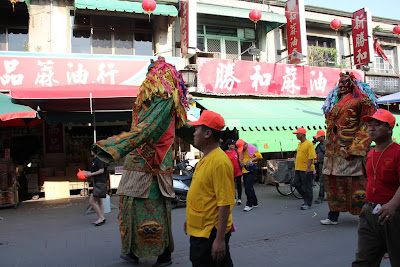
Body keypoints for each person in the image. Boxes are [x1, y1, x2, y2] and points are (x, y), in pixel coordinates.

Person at [91, 57, 189, 267]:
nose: (148, 74)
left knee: (150, 210)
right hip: (142, 165)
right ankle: (134, 251)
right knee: (132, 208)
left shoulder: (162, 95)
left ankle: (158, 253)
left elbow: (147, 129)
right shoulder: (156, 96)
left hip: (150, 165)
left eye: (151, 70)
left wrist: (114, 146)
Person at [320, 72, 378, 225]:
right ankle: (333, 216)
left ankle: (366, 215)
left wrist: (357, 148)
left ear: (353, 84)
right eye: (340, 82)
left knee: (358, 183)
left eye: (345, 82)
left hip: (349, 150)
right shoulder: (335, 102)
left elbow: (367, 124)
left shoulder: (362, 100)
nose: (342, 85)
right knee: (333, 182)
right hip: (333, 152)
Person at [184, 110, 235, 267]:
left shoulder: (219, 161)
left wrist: (219, 240)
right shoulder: (206, 158)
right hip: (200, 229)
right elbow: (202, 195)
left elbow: (225, 202)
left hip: (210, 232)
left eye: (197, 128)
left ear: (207, 133)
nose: (194, 132)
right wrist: (190, 220)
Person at [352, 109, 400, 266]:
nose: (371, 128)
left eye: (377, 125)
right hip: (369, 212)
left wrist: (393, 205)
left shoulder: (397, 152)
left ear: (389, 129)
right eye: (369, 125)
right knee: (364, 260)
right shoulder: (370, 153)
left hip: (393, 213)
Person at [292, 127, 316, 210]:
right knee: (296, 183)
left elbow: (311, 156)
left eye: (297, 134)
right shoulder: (299, 144)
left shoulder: (309, 144)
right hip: (298, 168)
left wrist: (308, 167)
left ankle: (308, 203)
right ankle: (306, 198)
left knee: (307, 186)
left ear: (302, 134)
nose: (296, 135)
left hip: (306, 169)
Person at [236, 139, 263, 212]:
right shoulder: (241, 151)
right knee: (248, 186)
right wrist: (241, 163)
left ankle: (249, 204)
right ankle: (254, 202)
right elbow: (240, 160)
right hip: (244, 170)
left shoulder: (252, 148)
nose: (242, 149)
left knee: (248, 187)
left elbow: (259, 156)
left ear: (245, 144)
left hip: (252, 169)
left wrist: (251, 160)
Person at [84, 151, 106, 226]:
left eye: (93, 149)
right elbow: (94, 171)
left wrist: (90, 174)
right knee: (100, 201)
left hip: (99, 183)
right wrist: (86, 172)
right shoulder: (95, 160)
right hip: (97, 182)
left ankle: (101, 217)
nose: (91, 151)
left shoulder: (99, 159)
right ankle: (102, 218)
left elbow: (101, 170)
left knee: (92, 201)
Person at [224, 139, 243, 205]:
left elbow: (239, 160)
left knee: (239, 185)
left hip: (238, 171)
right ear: (228, 145)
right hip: (230, 172)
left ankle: (239, 198)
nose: (233, 146)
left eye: (234, 145)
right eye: (232, 145)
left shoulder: (236, 151)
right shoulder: (225, 153)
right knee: (232, 185)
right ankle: (233, 197)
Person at [314, 130, 326, 204]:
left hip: (325, 164)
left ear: (323, 137)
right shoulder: (318, 145)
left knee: (322, 180)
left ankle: (320, 197)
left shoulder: (326, 144)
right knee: (322, 180)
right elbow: (314, 152)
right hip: (320, 164)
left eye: (319, 137)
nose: (317, 139)